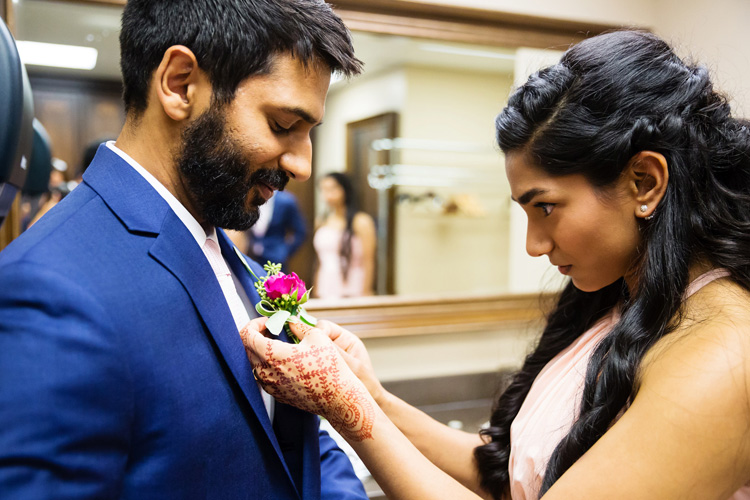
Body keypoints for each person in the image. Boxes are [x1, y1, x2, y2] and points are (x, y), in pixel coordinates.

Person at [241, 30, 750, 500]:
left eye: (545, 206)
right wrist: (369, 395)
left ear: (644, 181)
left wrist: (348, 410)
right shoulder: (621, 300)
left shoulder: (723, 354)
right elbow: (507, 473)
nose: (533, 245)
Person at [0, 1, 366, 498]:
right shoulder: (47, 291)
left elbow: (301, 446)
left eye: (309, 132)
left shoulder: (242, 264)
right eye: (283, 125)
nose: (303, 164)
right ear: (179, 85)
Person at [313, 172, 376, 298]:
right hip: (325, 284)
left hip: (353, 286)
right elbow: (319, 261)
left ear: (345, 190)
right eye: (324, 190)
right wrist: (315, 287)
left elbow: (368, 260)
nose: (328, 194)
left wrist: (366, 291)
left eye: (332, 188)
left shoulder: (361, 221)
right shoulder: (322, 220)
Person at [248, 190, 308, 269]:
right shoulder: (251, 196)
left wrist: (283, 251)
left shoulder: (286, 201)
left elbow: (300, 231)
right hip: (251, 257)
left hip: (275, 259)